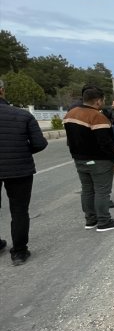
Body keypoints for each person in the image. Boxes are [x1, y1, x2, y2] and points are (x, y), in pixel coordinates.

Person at [64, 85, 114, 232]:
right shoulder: (97, 116)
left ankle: (90, 220)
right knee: (102, 191)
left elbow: (70, 140)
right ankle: (104, 222)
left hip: (79, 160)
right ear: (98, 101)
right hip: (99, 161)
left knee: (87, 191)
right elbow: (105, 142)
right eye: (103, 100)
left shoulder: (70, 114)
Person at [0, 79, 48, 265]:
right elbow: (39, 143)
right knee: (19, 211)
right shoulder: (22, 115)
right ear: (2, 91)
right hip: (19, 169)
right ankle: (19, 252)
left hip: (18, 168)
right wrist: (20, 150)